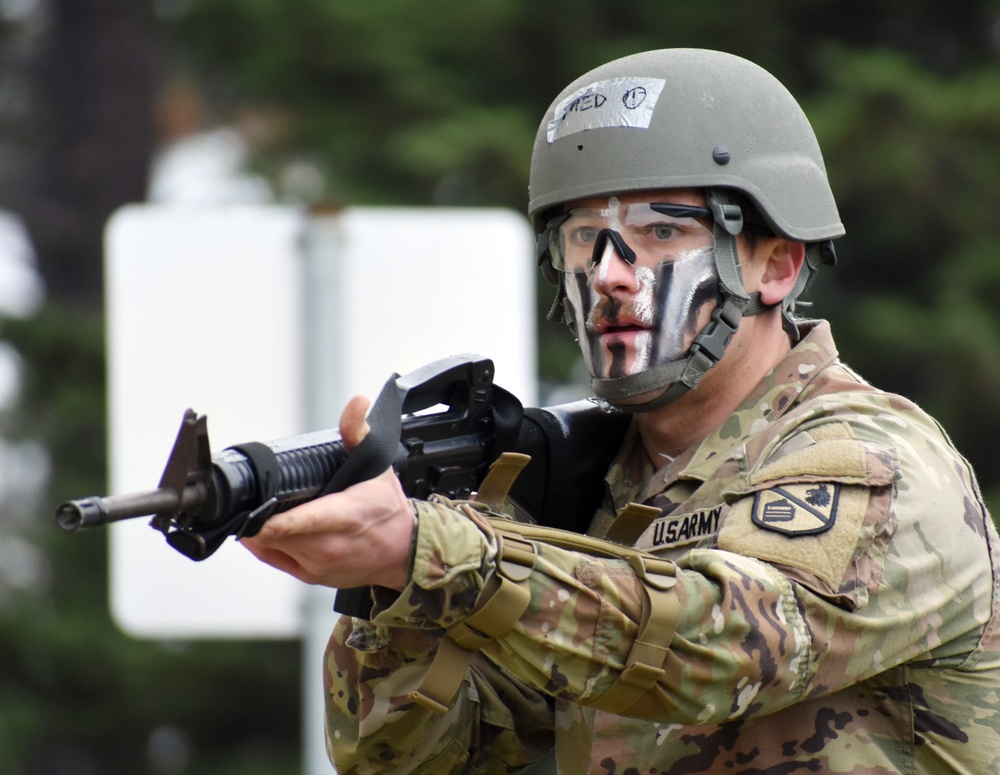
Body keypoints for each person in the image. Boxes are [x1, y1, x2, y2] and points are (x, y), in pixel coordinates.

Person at [241, 49, 1000, 773]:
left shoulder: (875, 460)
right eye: (582, 238)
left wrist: (434, 553)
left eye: (661, 231)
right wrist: (391, 588)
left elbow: (726, 646)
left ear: (776, 263)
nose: (608, 274)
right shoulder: (600, 487)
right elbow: (408, 757)